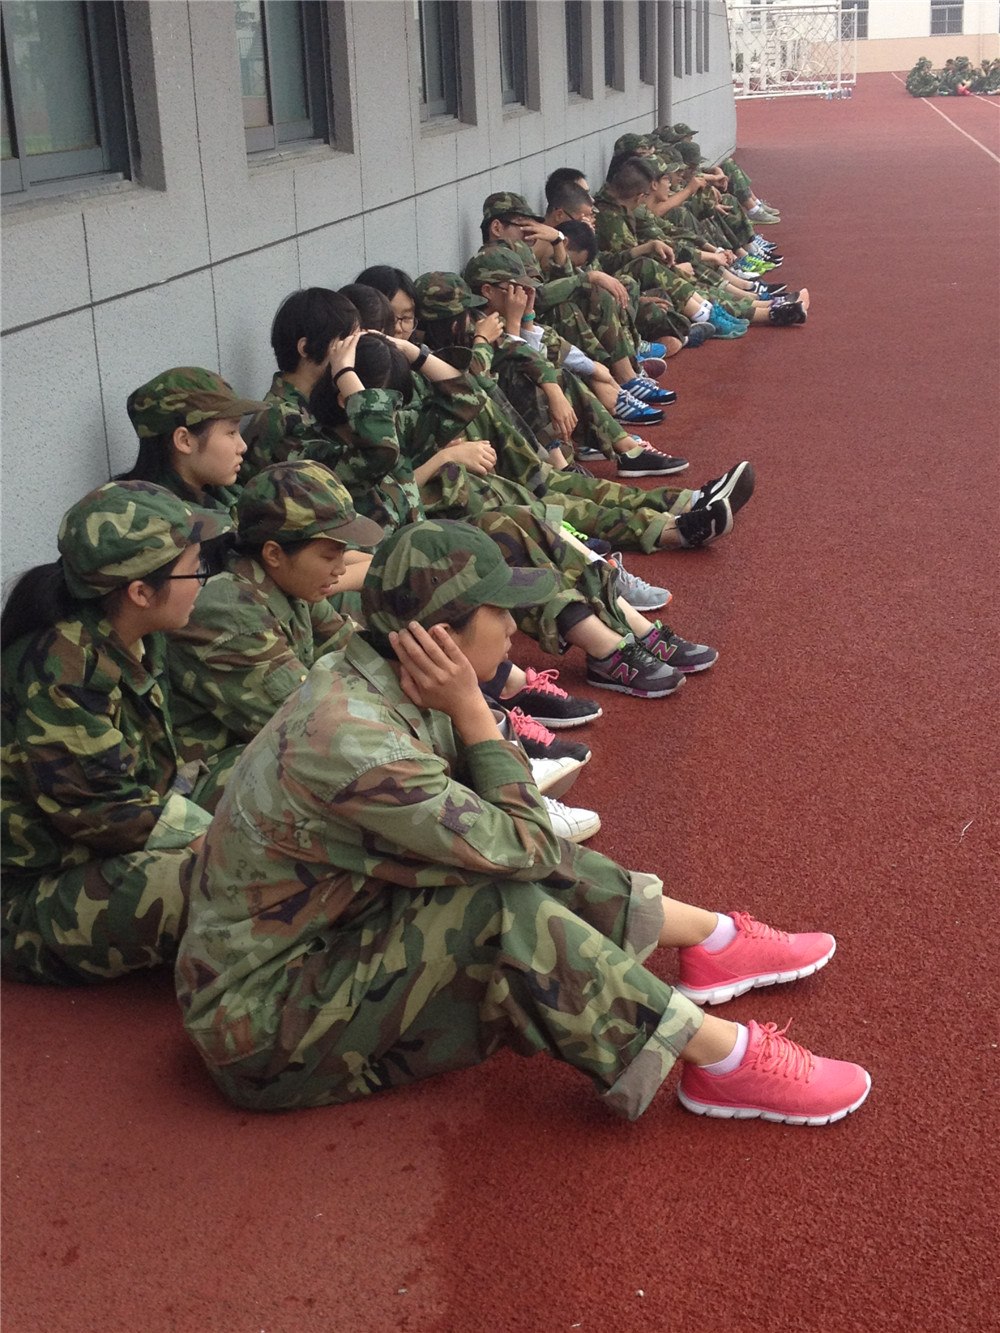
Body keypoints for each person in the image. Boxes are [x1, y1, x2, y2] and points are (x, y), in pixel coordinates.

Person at [176, 520, 872, 1126]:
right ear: (440, 638)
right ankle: (719, 1057)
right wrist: (476, 715)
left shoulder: (370, 673)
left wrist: (470, 712)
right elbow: (530, 846)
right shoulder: (360, 746)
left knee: (494, 853)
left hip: (322, 938)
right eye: (499, 611)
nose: (515, 627)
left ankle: (711, 939)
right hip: (264, 1029)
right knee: (500, 904)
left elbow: (503, 830)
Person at [1, 481, 231, 985]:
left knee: (256, 781)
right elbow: (105, 812)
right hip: (34, 892)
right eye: (196, 570)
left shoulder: (135, 636)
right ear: (140, 592)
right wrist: (226, 843)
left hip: (107, 843)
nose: (204, 582)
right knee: (217, 881)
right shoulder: (63, 670)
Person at [166, 461, 384, 764]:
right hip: (210, 769)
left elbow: (356, 650)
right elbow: (309, 726)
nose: (341, 569)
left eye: (341, 553)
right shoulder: (232, 614)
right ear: (273, 553)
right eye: (328, 556)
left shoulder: (288, 583)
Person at [119, 367, 268, 510]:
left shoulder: (224, 495)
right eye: (231, 432)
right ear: (184, 441)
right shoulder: (151, 519)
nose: (242, 446)